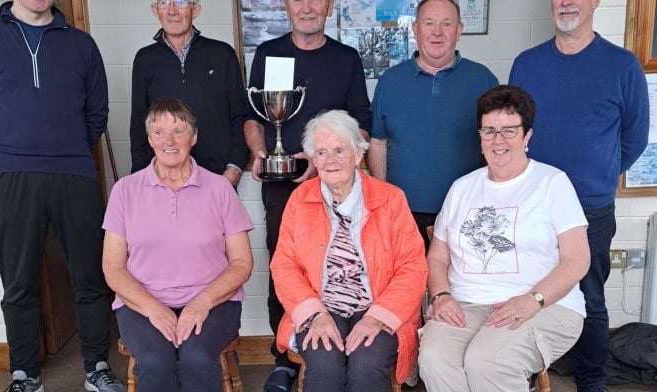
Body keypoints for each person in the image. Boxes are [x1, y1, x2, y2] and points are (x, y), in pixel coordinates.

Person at [0, 1, 124, 391]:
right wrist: (6, 152)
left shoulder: (82, 45)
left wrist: (67, 151)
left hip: (74, 174)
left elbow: (97, 111)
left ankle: (97, 366)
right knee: (18, 283)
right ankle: (24, 375)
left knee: (90, 277)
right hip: (10, 176)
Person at [509, 1, 649, 390]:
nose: (566, 2)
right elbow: (513, 128)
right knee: (527, 292)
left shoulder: (623, 66)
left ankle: (591, 383)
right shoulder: (526, 64)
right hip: (530, 205)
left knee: (590, 300)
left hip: (590, 209)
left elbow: (634, 139)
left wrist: (598, 173)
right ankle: (522, 375)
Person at [418, 85, 590, 392]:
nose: (498, 140)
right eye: (489, 131)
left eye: (509, 130)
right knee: (433, 357)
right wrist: (441, 295)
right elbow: (438, 256)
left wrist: (533, 300)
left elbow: (577, 259)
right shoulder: (461, 188)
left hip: (544, 302)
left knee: (487, 360)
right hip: (467, 302)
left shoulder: (552, 183)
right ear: (480, 136)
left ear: (527, 136)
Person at [243, 0, 372, 389]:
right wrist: (259, 151)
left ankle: (346, 349)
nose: (307, 7)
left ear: (329, 7)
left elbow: (362, 127)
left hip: (341, 188)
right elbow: (251, 117)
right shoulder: (268, 54)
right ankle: (285, 357)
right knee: (285, 268)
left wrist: (321, 160)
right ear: (286, 5)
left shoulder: (346, 59)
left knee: (342, 266)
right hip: (284, 187)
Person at [102, 97, 254, 391]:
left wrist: (202, 303)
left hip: (213, 301)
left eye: (178, 131)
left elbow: (242, 263)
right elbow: (112, 268)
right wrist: (152, 308)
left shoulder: (220, 189)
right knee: (156, 361)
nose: (168, 140)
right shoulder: (124, 191)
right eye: (159, 132)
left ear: (193, 137)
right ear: (149, 139)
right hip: (141, 302)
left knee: (196, 357)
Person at [271, 110, 428, 392]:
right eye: (322, 152)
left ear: (358, 155)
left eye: (339, 150)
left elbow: (413, 267)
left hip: (378, 305)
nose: (330, 160)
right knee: (322, 361)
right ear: (314, 159)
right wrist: (315, 315)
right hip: (321, 305)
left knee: (367, 361)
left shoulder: (391, 199)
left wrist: (377, 317)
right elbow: (284, 265)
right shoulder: (299, 200)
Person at [368, 0, 498, 250]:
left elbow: (496, 143)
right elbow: (378, 142)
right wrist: (385, 199)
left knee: (458, 289)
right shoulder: (390, 81)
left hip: (466, 211)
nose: (437, 32)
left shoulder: (483, 80)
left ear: (459, 30)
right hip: (403, 212)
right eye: (429, 23)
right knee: (408, 287)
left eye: (446, 24)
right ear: (415, 29)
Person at [129, 0, 248, 187]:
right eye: (164, 3)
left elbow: (240, 116)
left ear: (196, 10)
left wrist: (234, 169)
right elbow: (138, 124)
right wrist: (139, 179)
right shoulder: (145, 60)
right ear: (155, 11)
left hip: (217, 177)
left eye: (180, 2)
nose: (172, 10)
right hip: (163, 180)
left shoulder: (222, 54)